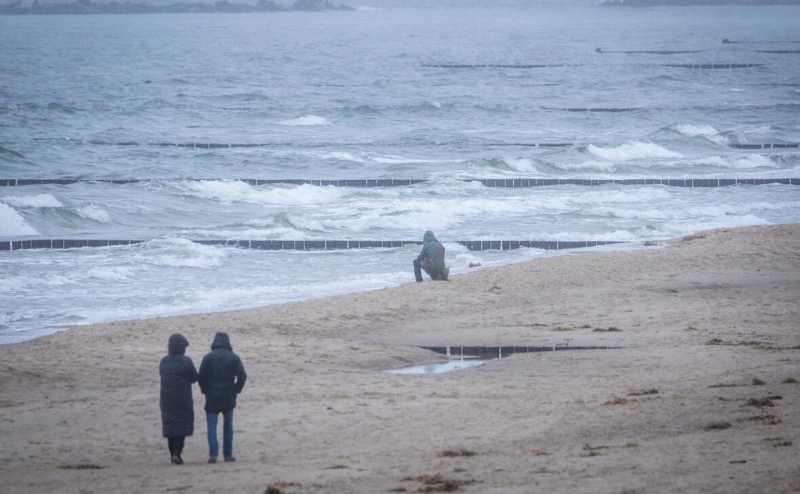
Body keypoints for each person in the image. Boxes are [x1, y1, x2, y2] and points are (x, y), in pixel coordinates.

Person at [198, 332, 247, 464]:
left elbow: (201, 376)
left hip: (212, 395)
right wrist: (236, 389)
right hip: (228, 395)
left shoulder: (208, 358)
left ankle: (213, 454)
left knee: (212, 426)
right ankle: (227, 455)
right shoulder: (234, 358)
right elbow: (242, 376)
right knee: (228, 427)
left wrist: (204, 390)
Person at [159, 333, 198, 465]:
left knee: (170, 427)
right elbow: (194, 378)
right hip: (183, 398)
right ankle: (177, 453)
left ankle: (173, 454)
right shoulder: (186, 361)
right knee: (181, 427)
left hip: (166, 399)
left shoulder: (164, 361)